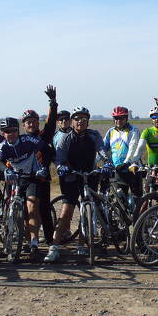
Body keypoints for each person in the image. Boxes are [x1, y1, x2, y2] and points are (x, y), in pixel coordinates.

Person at [48, 106, 111, 263]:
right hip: (71, 175)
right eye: (77, 119)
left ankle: (82, 245)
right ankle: (54, 247)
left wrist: (107, 161)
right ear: (72, 121)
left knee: (87, 207)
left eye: (84, 119)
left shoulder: (94, 135)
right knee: (67, 209)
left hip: (89, 175)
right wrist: (62, 167)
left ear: (88, 121)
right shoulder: (66, 138)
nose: (80, 122)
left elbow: (101, 150)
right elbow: (60, 158)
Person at [0, 116, 51, 261]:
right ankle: (20, 238)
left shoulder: (28, 140)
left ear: (18, 130)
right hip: (15, 179)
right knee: (18, 212)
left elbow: (47, 150)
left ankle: (34, 244)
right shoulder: (2, 146)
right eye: (7, 131)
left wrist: (44, 167)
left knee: (32, 208)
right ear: (3, 133)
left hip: (32, 177)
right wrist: (5, 170)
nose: (11, 133)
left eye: (14, 130)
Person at [20, 85, 59, 246]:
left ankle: (50, 243)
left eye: (34, 121)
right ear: (24, 125)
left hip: (41, 180)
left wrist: (53, 103)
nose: (31, 124)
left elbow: (50, 124)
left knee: (44, 211)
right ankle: (29, 243)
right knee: (24, 212)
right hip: (24, 179)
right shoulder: (20, 141)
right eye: (28, 122)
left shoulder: (43, 136)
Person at [103, 106, 142, 198]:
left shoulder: (133, 130)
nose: (118, 121)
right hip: (118, 170)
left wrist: (126, 163)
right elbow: (102, 149)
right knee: (120, 200)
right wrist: (95, 163)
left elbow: (133, 147)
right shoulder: (111, 132)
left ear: (126, 118)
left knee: (137, 199)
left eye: (121, 118)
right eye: (116, 118)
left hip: (132, 169)